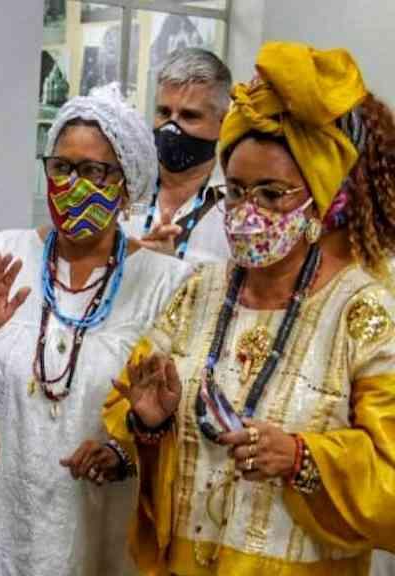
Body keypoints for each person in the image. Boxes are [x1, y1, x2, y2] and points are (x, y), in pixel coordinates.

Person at [99, 42, 395, 575]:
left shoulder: (362, 312)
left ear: (319, 201)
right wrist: (148, 424)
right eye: (236, 192)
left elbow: (389, 478)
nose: (247, 213)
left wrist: (303, 458)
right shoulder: (200, 292)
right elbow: (128, 408)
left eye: (272, 194)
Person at [0, 85, 191, 575]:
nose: (73, 184)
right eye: (61, 167)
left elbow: (178, 422)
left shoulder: (165, 285)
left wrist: (124, 451)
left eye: (94, 171)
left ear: (127, 185)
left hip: (99, 531)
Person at [122, 47, 232, 264]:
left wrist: (171, 270)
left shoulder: (234, 205)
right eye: (164, 113)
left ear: (223, 123)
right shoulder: (125, 188)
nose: (172, 126)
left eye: (189, 116)